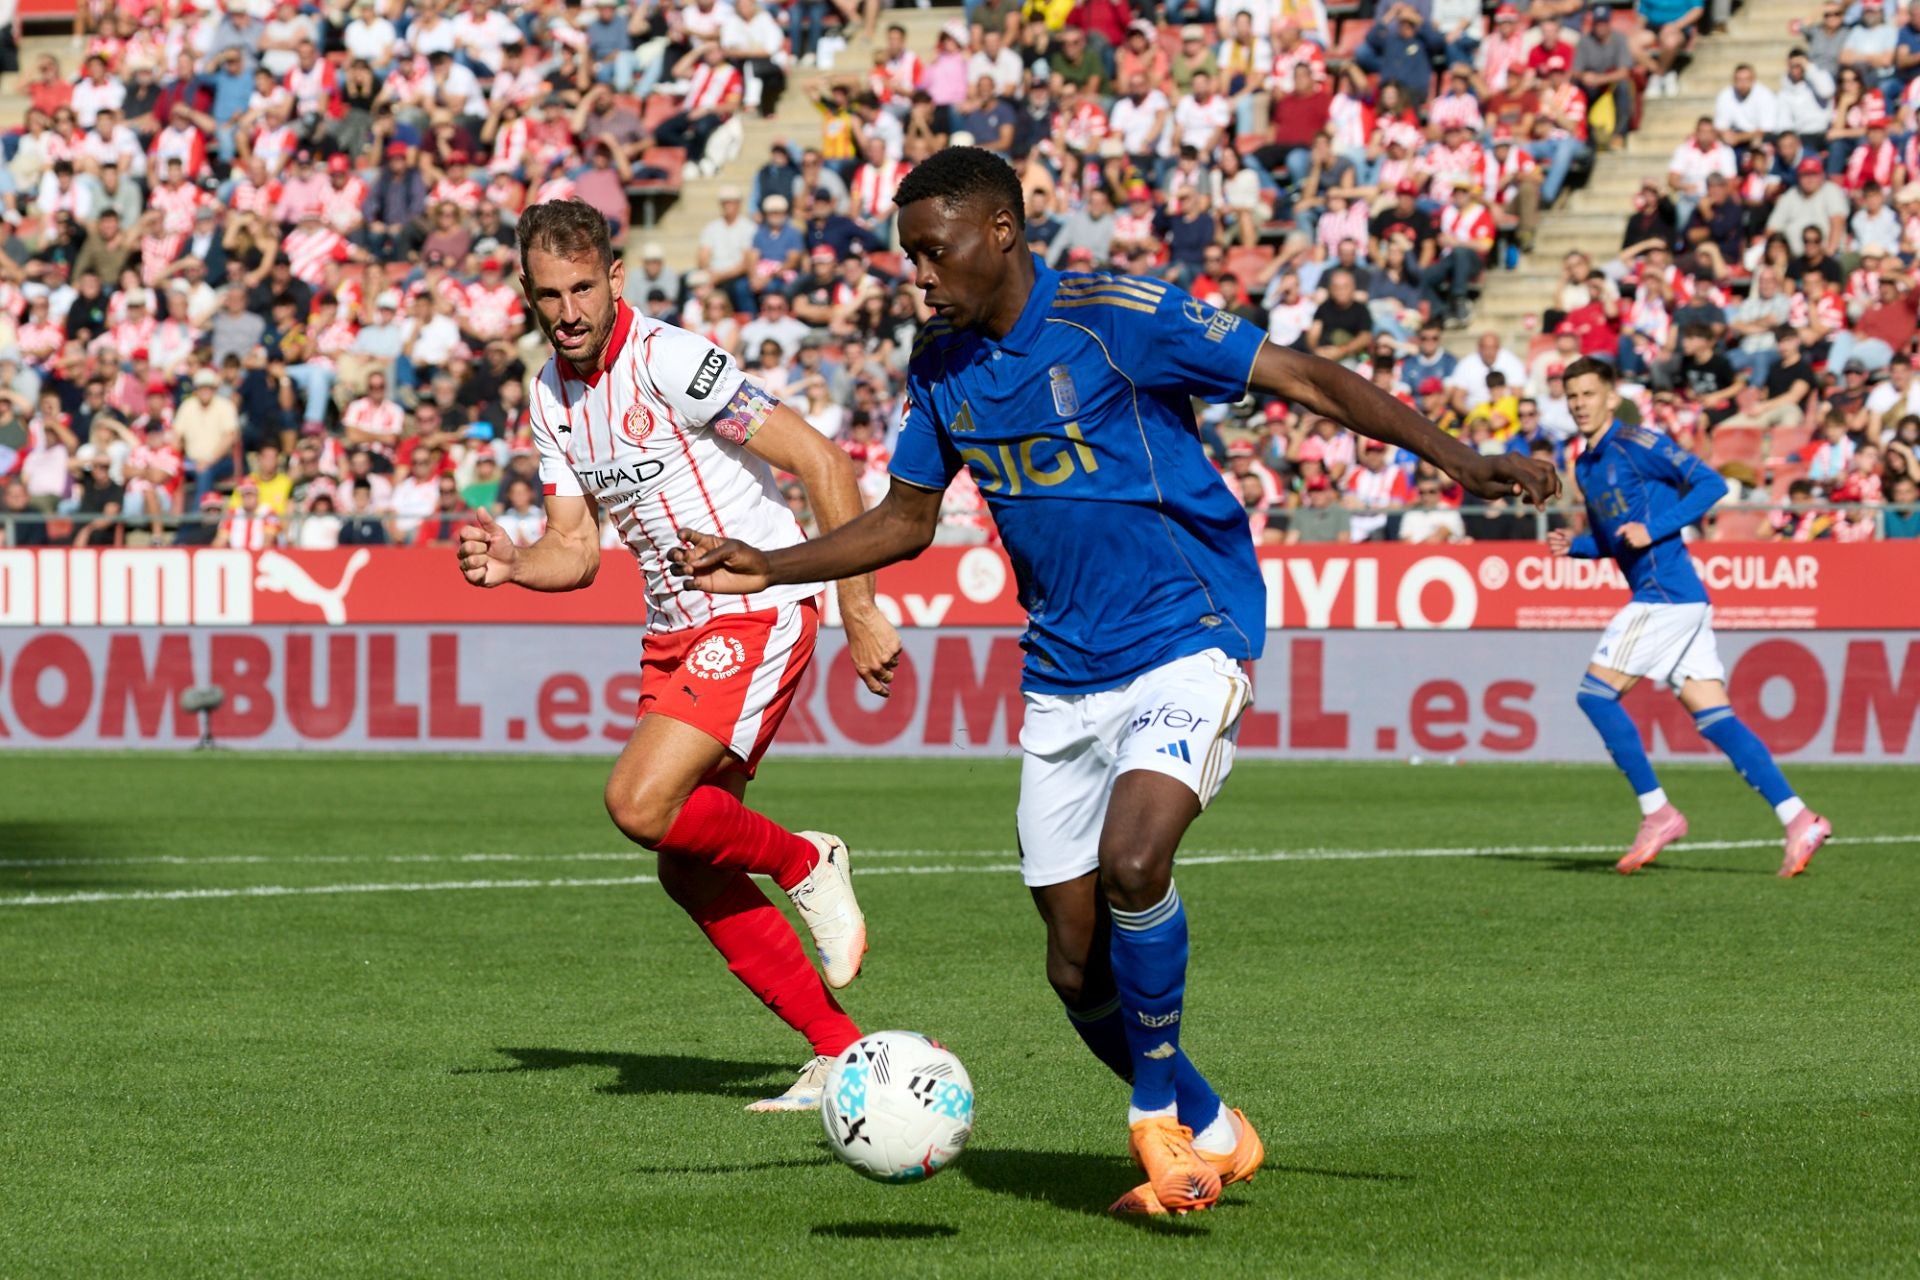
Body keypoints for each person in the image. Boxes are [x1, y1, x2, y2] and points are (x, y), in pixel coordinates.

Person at [669, 148, 1560, 1215]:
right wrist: (774, 565)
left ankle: (1155, 1122)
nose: (919, 275)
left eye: (933, 251)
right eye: (909, 256)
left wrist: (1459, 461)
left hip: (1187, 633)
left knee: (1136, 862)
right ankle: (1214, 1125)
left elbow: (1306, 377)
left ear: (1001, 232)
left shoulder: (1117, 317)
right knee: (1073, 968)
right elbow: (906, 518)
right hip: (1062, 675)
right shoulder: (941, 360)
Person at [454, 200, 903, 1111]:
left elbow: (823, 463)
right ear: (530, 298)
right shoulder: (550, 397)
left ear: (615, 278)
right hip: (672, 632)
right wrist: (513, 565)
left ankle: (804, 862)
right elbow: (575, 551)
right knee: (685, 860)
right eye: (550, 295)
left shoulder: (671, 362)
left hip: (755, 608)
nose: (569, 311)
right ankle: (839, 1051)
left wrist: (859, 607)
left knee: (638, 801)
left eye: (584, 288)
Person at [1547, 357, 1832, 878]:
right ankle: (1799, 819)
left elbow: (1710, 484)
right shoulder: (1585, 466)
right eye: (1573, 396)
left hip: (1665, 596)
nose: (1581, 404)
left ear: (1612, 397)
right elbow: (1616, 539)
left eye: (1589, 393)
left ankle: (1659, 813)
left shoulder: (1636, 443)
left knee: (1595, 695)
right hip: (1681, 600)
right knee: (1716, 719)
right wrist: (1578, 547)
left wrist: (1654, 528)